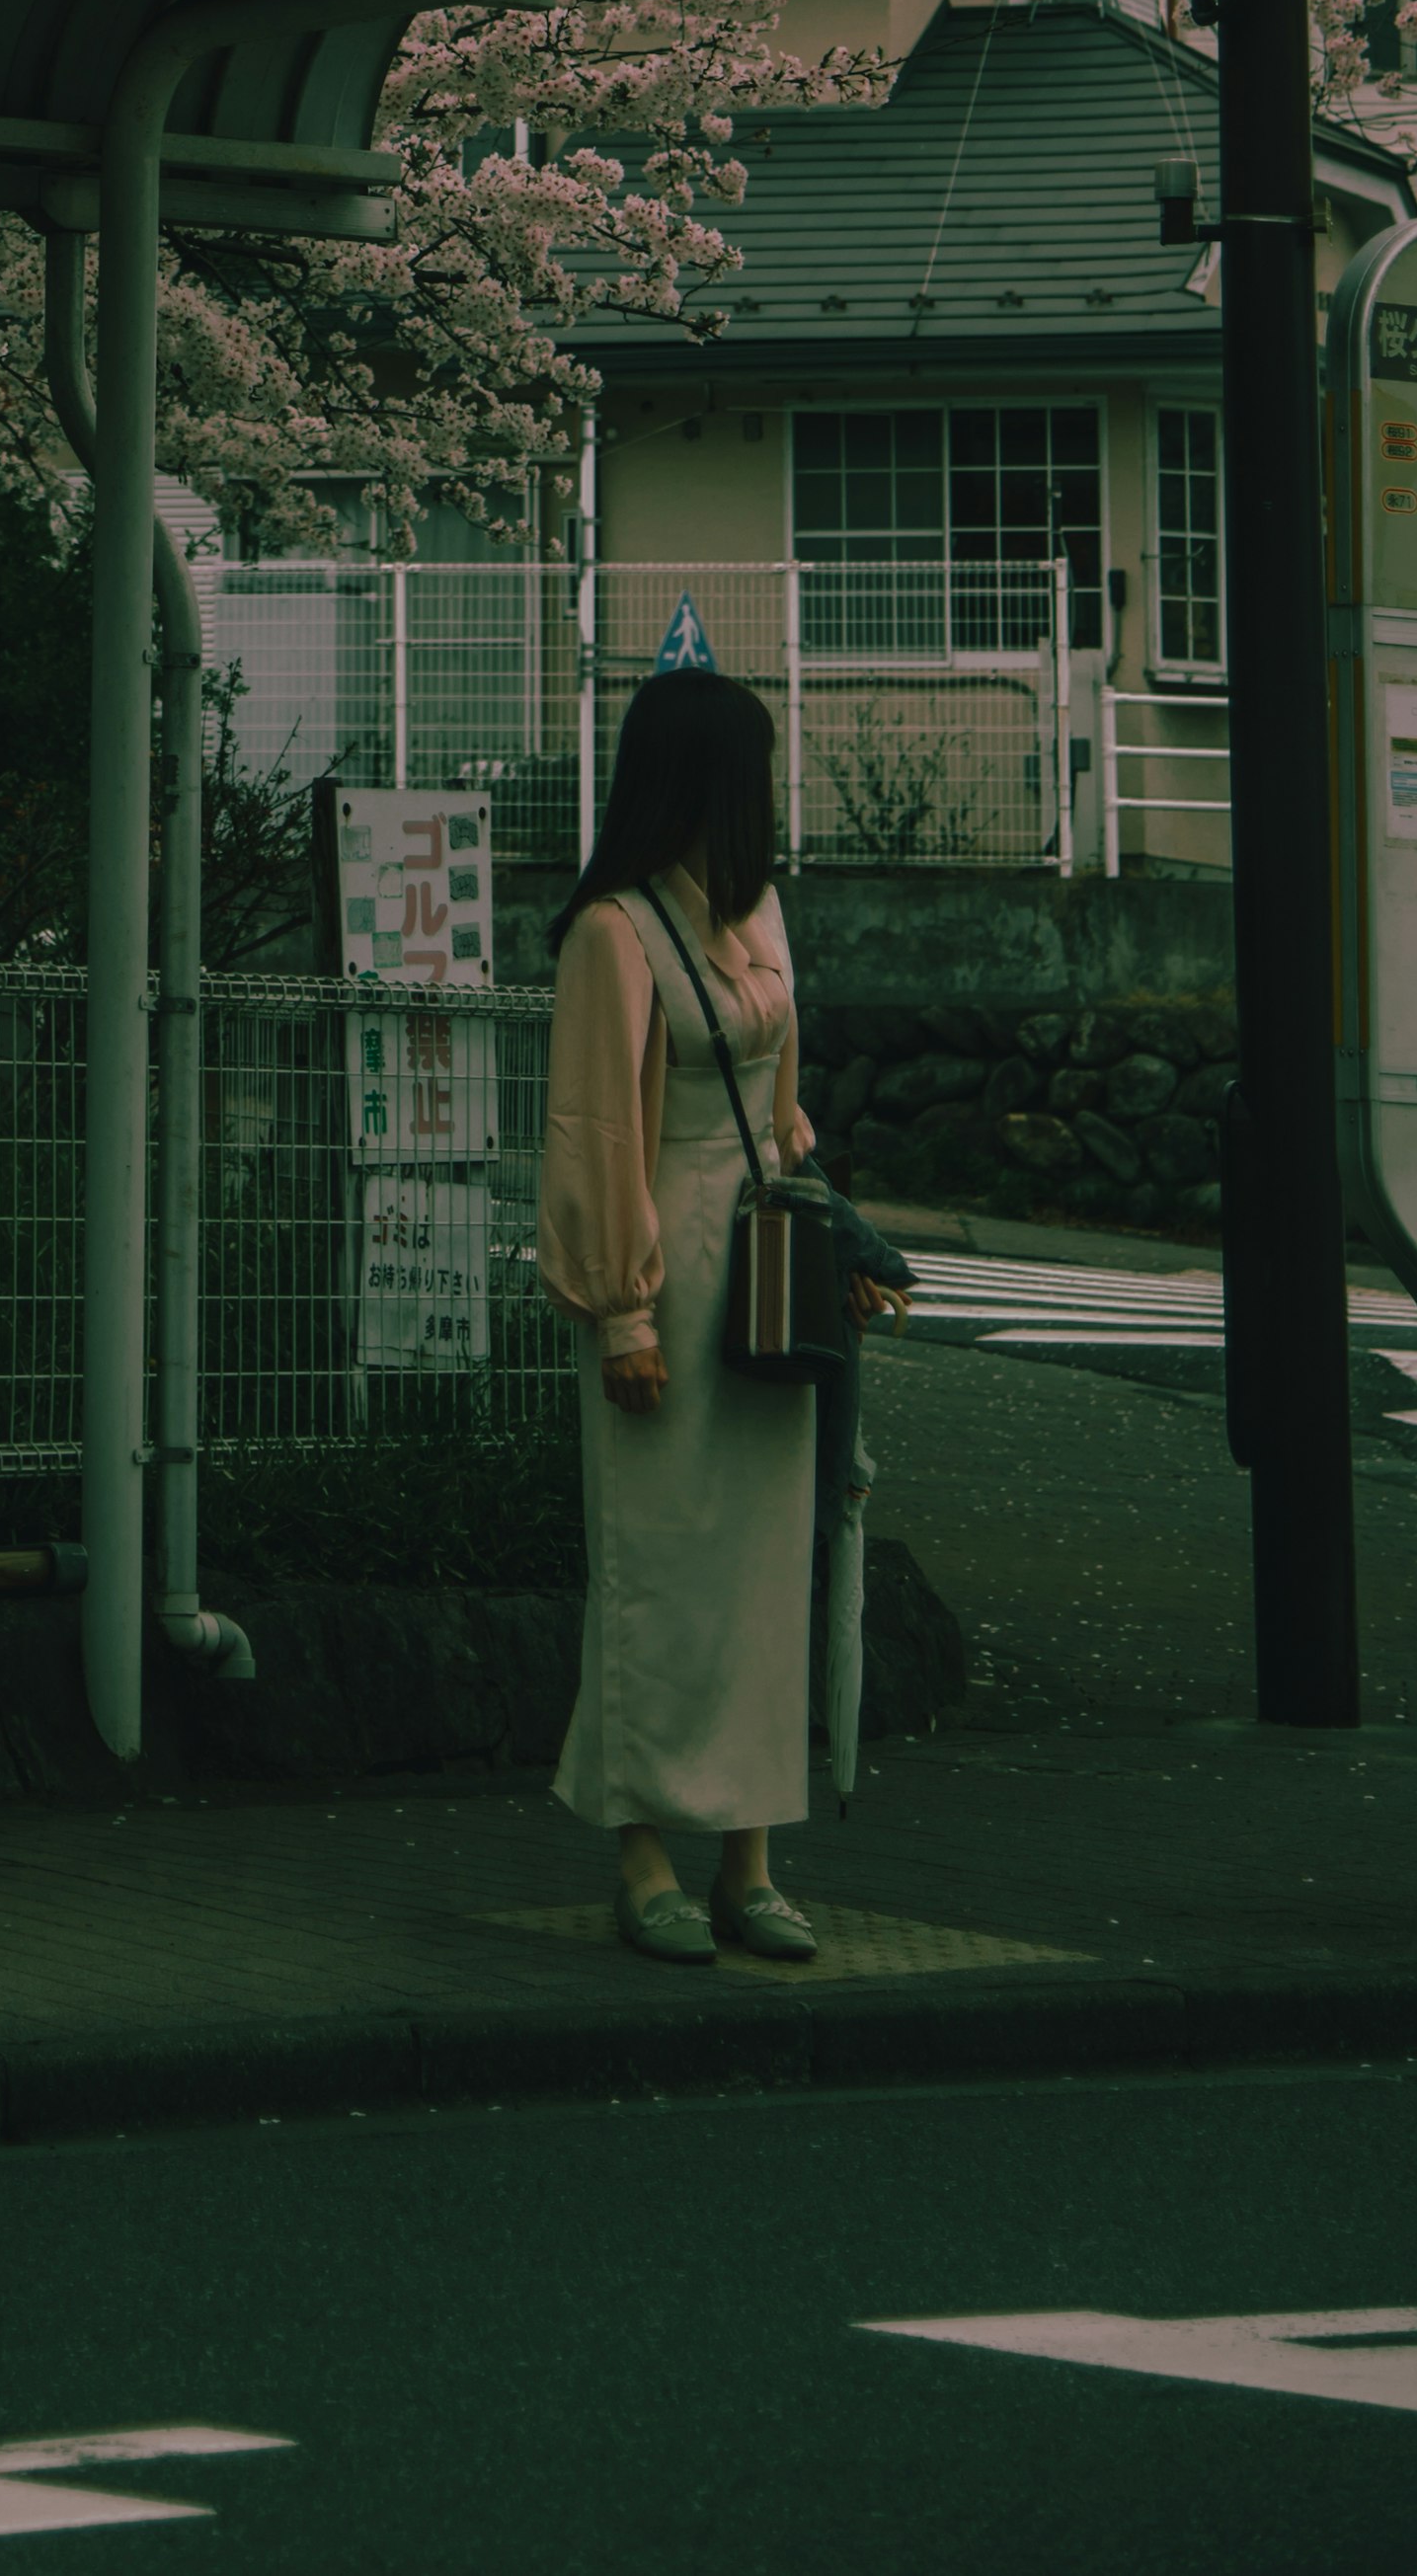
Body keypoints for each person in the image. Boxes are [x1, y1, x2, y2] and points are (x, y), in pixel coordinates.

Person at [532, 663, 852, 1968]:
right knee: (658, 1574)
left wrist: (844, 1244)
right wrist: (621, 1314)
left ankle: (753, 1858)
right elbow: (598, 1134)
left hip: (766, 1277)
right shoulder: (615, 931)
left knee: (763, 1583)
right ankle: (644, 1851)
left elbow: (785, 1116)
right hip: (666, 1280)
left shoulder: (761, 912)